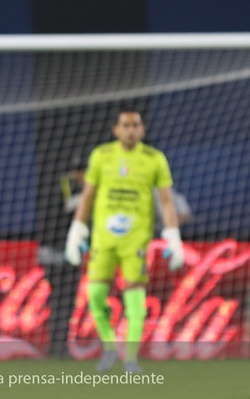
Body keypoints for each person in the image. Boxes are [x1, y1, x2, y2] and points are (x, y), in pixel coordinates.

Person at [64, 111, 184, 373]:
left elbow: (166, 200)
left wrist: (173, 236)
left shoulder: (154, 159)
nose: (131, 130)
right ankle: (109, 347)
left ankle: (130, 357)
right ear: (115, 129)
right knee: (95, 294)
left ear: (142, 130)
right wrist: (77, 230)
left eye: (136, 125)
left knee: (135, 297)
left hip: (136, 240)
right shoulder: (101, 156)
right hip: (103, 239)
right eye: (126, 125)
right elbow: (87, 195)